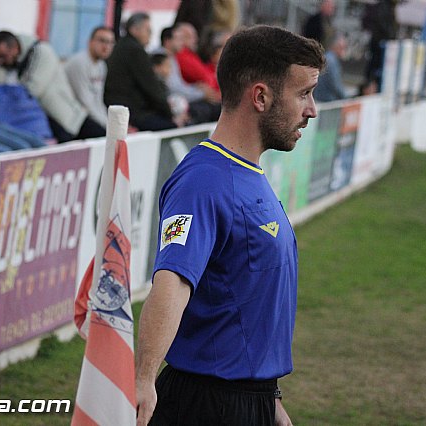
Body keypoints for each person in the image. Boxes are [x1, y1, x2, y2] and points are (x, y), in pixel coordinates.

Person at [135, 25, 325, 426]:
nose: (313, 109)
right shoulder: (203, 181)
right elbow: (172, 280)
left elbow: (242, 299)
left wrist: (268, 400)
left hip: (247, 398)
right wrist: (142, 378)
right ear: (261, 96)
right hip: (207, 406)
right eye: (304, 93)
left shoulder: (248, 173)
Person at [0, 30, 105, 142]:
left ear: (15, 47)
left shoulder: (43, 52)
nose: (2, 60)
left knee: (101, 140)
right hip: (37, 122)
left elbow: (34, 90)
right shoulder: (8, 64)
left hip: (65, 118)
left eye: (4, 56)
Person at [104, 12, 177, 131]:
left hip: (120, 108)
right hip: (130, 112)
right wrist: (170, 114)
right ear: (134, 30)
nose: (150, 34)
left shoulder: (123, 45)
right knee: (171, 126)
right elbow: (151, 88)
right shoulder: (135, 50)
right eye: (147, 30)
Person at [158, 25, 220, 125]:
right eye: (178, 39)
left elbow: (179, 85)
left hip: (180, 98)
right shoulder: (162, 59)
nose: (181, 43)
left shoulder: (172, 58)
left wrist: (196, 88)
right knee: (207, 109)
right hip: (171, 102)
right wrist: (201, 94)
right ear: (167, 41)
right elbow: (173, 88)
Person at [64, 26, 115, 128]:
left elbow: (98, 100)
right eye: (102, 41)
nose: (106, 46)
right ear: (90, 42)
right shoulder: (79, 62)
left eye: (110, 42)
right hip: (72, 116)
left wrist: (110, 124)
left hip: (86, 115)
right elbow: (85, 102)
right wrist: (107, 126)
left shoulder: (101, 65)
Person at [362, 0, 398, 92]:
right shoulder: (385, 6)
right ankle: (370, 86)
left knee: (376, 67)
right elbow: (384, 25)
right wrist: (391, 38)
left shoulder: (388, 6)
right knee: (375, 67)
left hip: (380, 44)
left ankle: (372, 86)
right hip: (379, 44)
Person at [174, 21, 219, 93]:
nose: (195, 40)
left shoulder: (190, 54)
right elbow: (204, 77)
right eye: (190, 37)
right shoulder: (183, 56)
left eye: (195, 36)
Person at [151, 51, 189, 127]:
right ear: (156, 68)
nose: (170, 70)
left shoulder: (163, 84)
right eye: (167, 66)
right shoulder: (154, 86)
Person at [314, 32, 350, 102]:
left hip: (319, 99)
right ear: (336, 46)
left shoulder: (326, 57)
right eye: (343, 47)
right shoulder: (332, 61)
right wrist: (346, 99)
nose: (344, 51)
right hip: (328, 101)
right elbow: (336, 85)